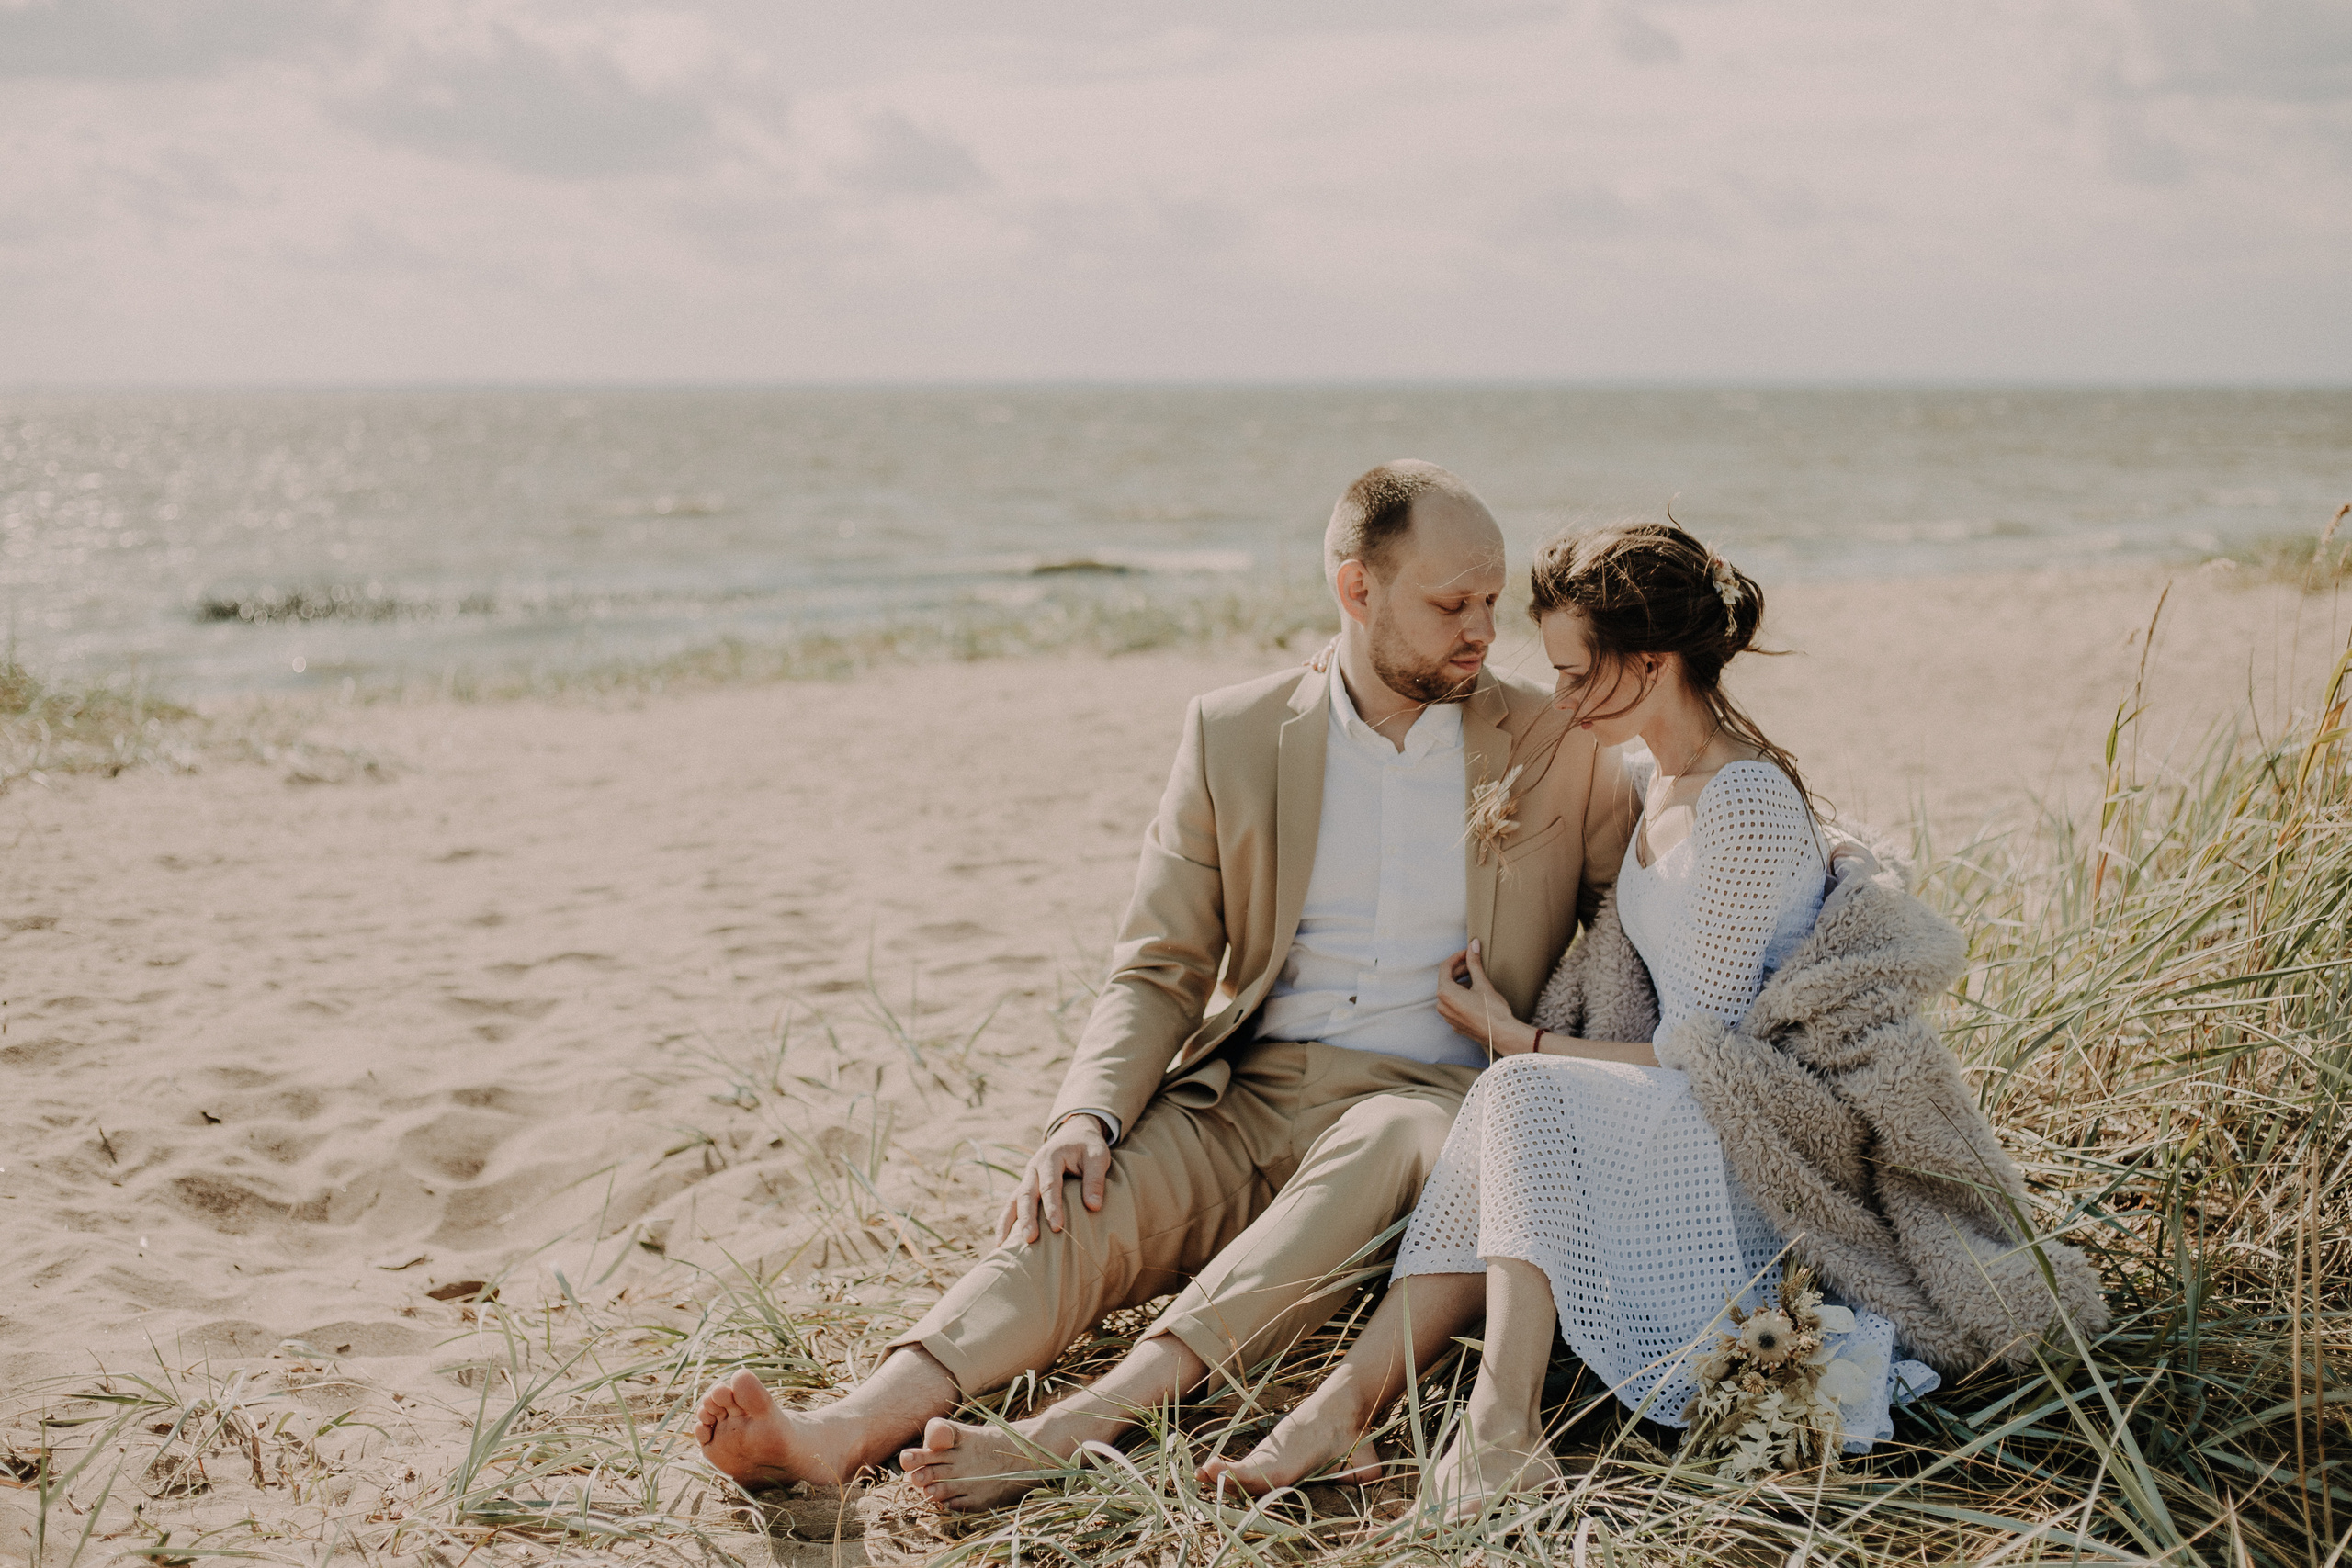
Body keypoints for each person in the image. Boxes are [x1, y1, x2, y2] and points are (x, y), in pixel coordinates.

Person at [695, 460, 1636, 1511]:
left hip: (1432, 1111)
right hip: (1249, 1092)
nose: (1481, 630)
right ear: (1354, 589)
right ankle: (841, 1429)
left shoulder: (1553, 743)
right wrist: (1085, 1112)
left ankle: (1072, 1428)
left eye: (1491, 602)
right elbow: (1160, 962)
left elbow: (1642, 906)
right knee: (1076, 1202)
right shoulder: (1232, 733)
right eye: (1450, 603)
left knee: (1390, 1136)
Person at [1200, 521, 1934, 1507]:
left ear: (1654, 662)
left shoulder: (1744, 799)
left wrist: (1521, 1039)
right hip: (1671, 1117)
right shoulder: (1653, 774)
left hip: (1739, 1150)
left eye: (1579, 676)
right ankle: (1340, 1413)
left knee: (1521, 1093)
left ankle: (1494, 1425)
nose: (1565, 698)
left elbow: (1698, 1053)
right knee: (1502, 1115)